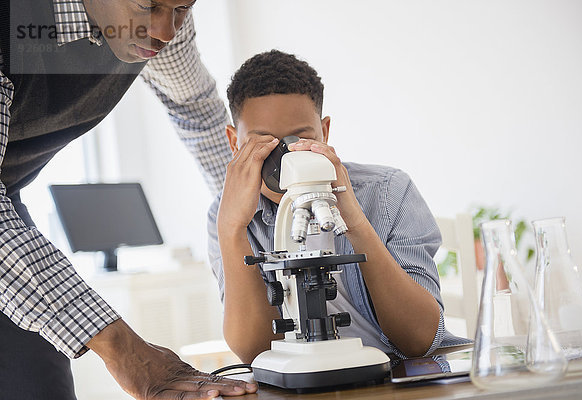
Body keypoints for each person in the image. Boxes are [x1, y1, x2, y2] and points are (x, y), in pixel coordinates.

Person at [0, 0, 256, 399]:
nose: (167, 31)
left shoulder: (162, 25)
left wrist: (255, 225)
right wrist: (124, 349)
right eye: (148, 5)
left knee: (38, 383)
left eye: (182, 9)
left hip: (5, 193)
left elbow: (195, 109)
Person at [208, 50, 471, 364]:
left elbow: (420, 340)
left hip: (398, 371)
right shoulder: (226, 216)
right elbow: (256, 350)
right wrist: (231, 229)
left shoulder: (387, 191)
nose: (282, 156)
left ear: (324, 132)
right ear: (234, 142)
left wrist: (355, 220)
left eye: (298, 139)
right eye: (262, 141)